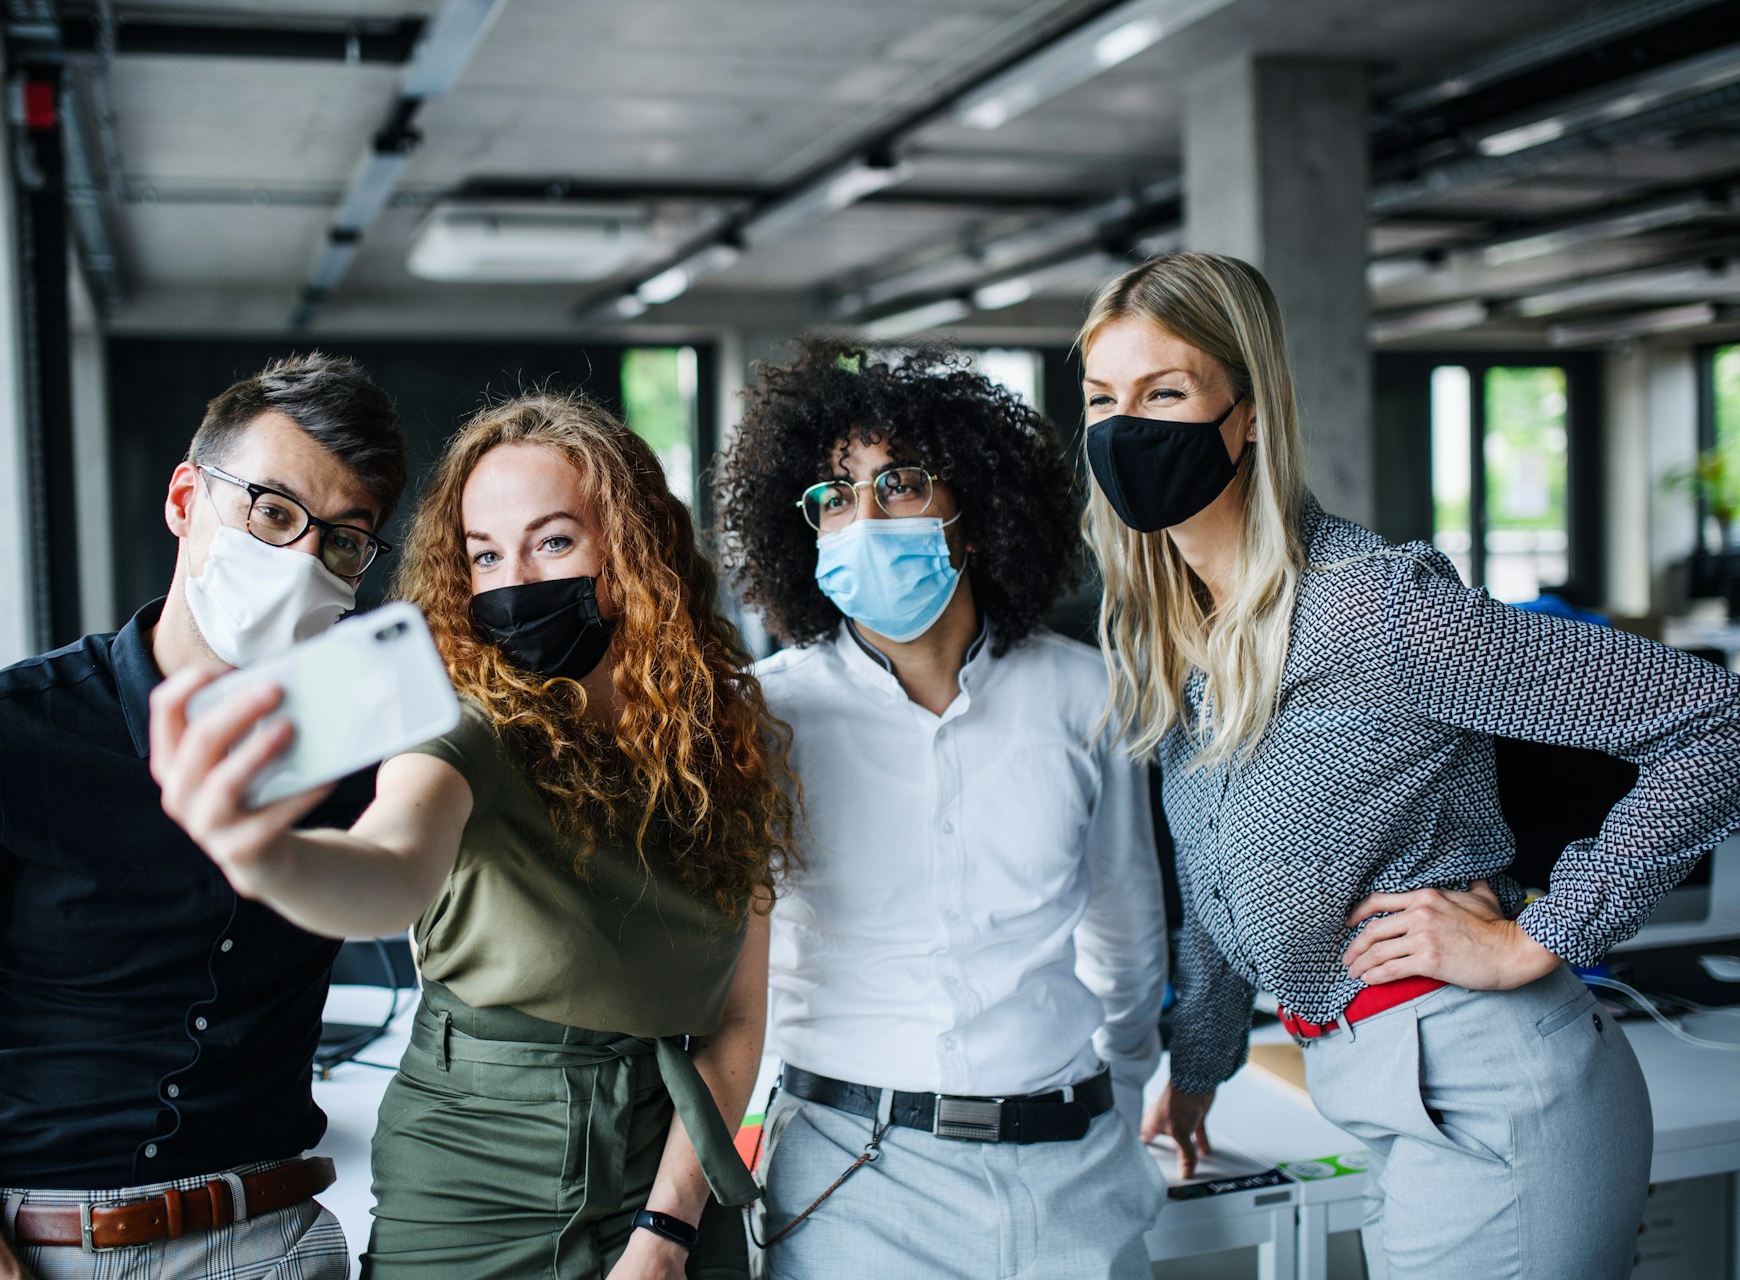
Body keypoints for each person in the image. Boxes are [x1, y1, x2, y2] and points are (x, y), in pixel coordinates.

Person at [1079, 251, 1740, 1279]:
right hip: (1361, 1075)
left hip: (1489, 1087)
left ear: (1247, 413)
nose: (1127, 429)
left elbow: (1716, 721)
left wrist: (1544, 932)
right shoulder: (1180, 634)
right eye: (1102, 399)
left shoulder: (1376, 608)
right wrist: (1200, 1062)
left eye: (1165, 392)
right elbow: (1212, 882)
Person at [147, 393, 796, 1279]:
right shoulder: (467, 727)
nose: (517, 581)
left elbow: (739, 1019)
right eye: (486, 556)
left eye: (554, 541)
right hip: (472, 1178)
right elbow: (391, 864)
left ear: (635, 548)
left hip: (668, 1169)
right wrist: (268, 854)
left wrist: (667, 1228)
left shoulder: (727, 739)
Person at [0, 352, 410, 1279]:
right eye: (271, 512)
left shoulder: (366, 750)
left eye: (342, 540)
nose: (303, 562)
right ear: (186, 500)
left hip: (267, 1239)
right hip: (17, 1245)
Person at [714, 343, 1168, 1279]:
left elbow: (1128, 938)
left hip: (1075, 1172)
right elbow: (729, 985)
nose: (865, 520)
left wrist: (1115, 1106)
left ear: (976, 510)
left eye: (901, 485)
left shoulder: (1088, 694)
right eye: (834, 498)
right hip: (851, 1180)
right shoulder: (762, 715)